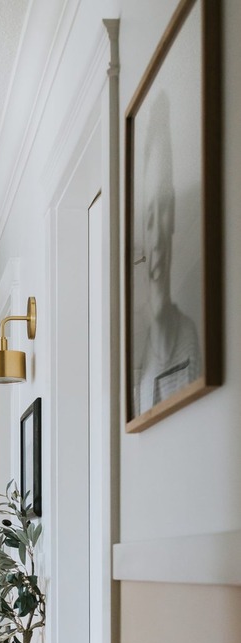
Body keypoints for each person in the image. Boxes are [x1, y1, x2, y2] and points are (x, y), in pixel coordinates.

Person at [134, 90, 201, 416]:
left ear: (173, 213)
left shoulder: (190, 337)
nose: (157, 238)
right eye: (147, 216)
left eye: (162, 210)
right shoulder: (142, 353)